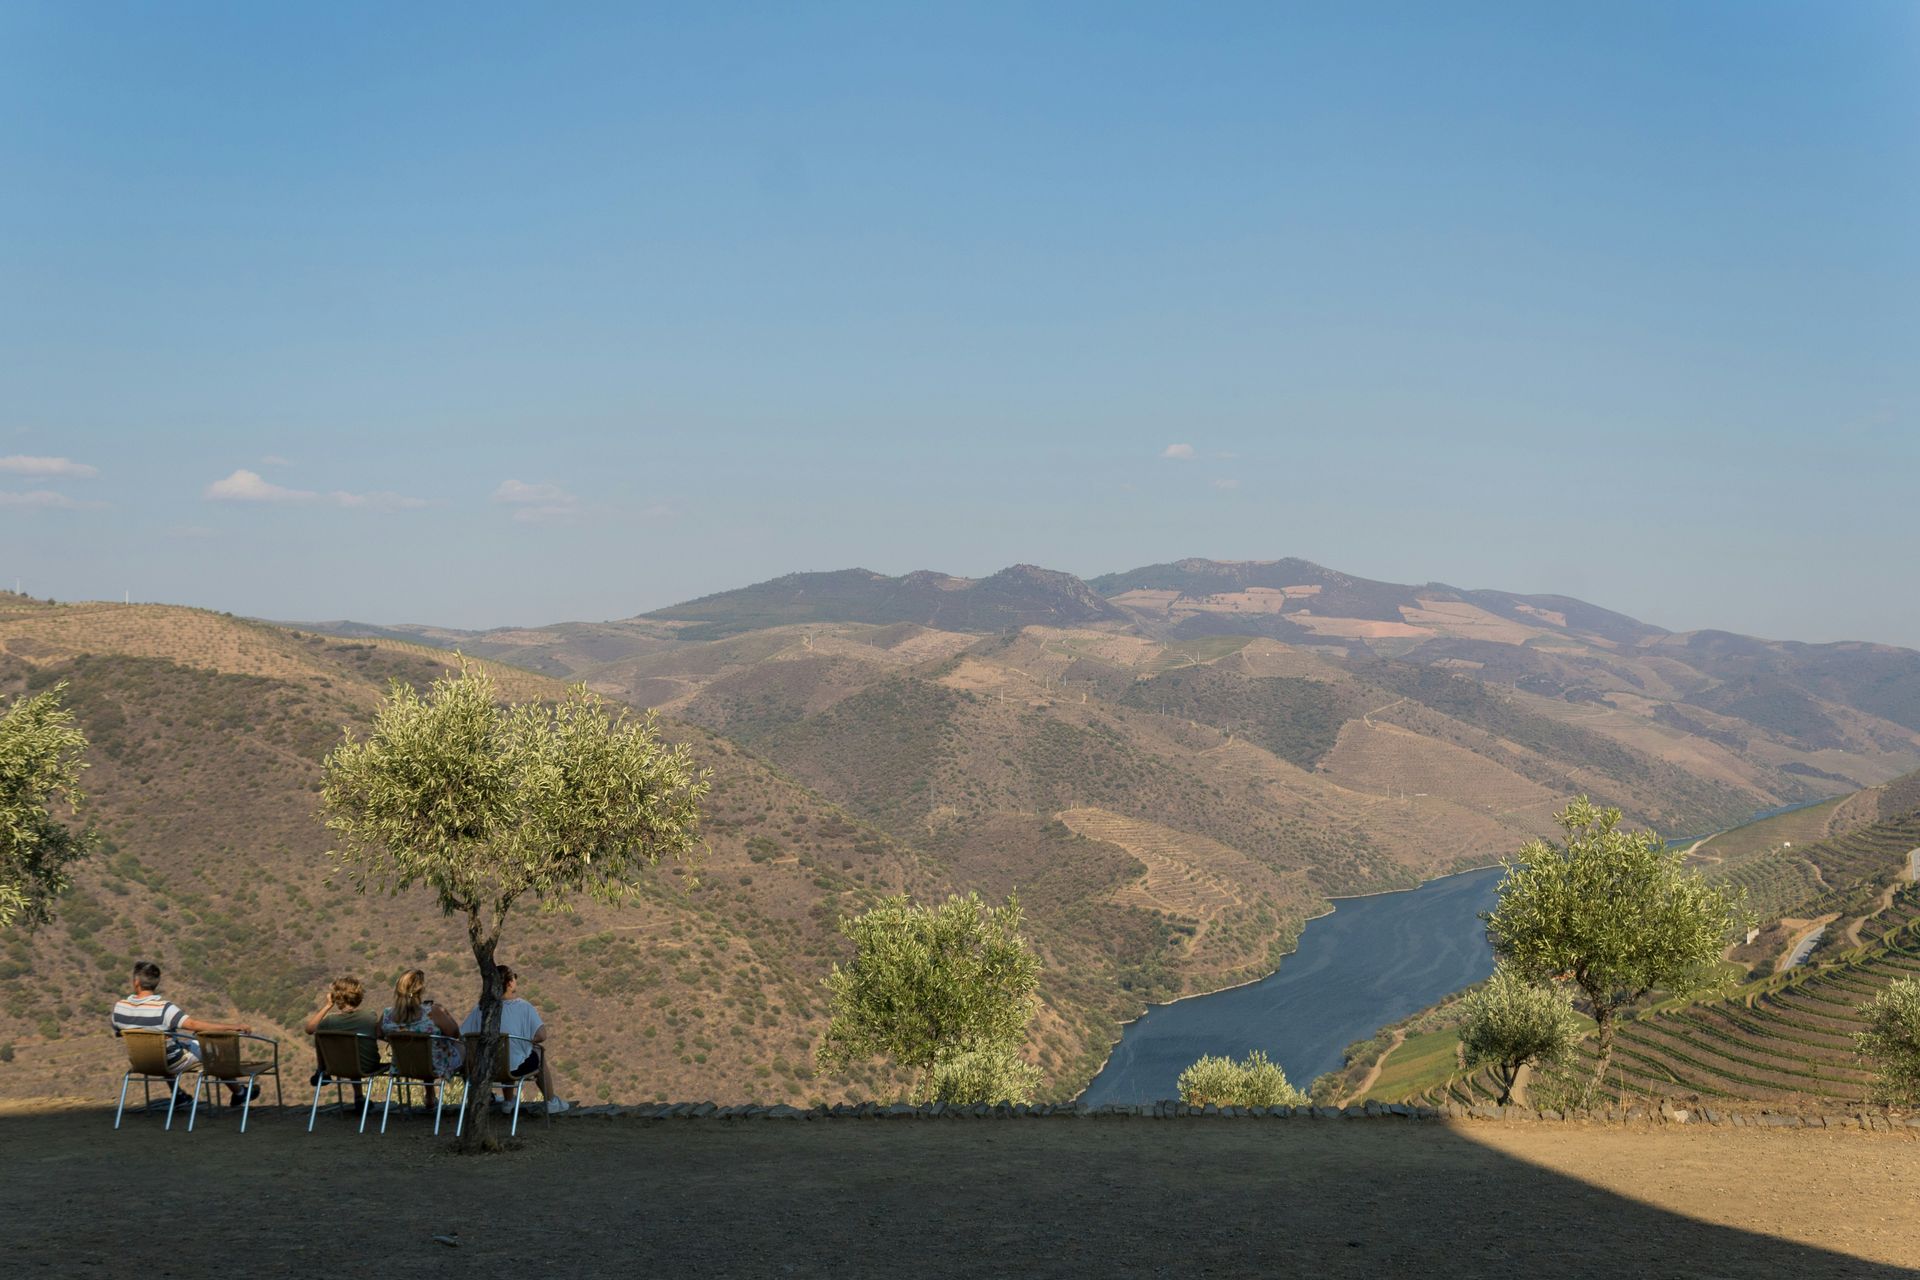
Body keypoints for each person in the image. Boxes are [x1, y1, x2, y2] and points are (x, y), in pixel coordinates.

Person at [110, 960, 257, 1107]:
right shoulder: (164, 1009)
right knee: (210, 1049)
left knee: (161, 1049)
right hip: (171, 1062)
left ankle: (179, 1095)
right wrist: (232, 1027)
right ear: (156, 983)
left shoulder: (120, 1008)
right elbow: (193, 1025)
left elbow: (119, 1032)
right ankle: (240, 1093)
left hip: (141, 1061)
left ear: (136, 982)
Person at [459, 963, 568, 1115]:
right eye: (514, 978)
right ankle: (551, 1102)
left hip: (485, 1068)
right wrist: (526, 1041)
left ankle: (508, 1101)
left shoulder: (481, 1008)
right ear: (510, 984)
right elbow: (542, 1035)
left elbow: (462, 1035)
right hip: (513, 1068)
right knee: (533, 1052)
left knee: (505, 1051)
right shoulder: (523, 1006)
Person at [378, 968, 464, 1104]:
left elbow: (378, 1033)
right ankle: (476, 1097)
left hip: (403, 1065)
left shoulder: (388, 1014)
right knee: (465, 1048)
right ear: (421, 990)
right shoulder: (433, 1012)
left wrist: (399, 1039)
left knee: (423, 1050)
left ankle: (430, 1096)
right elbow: (455, 1034)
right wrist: (445, 1013)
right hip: (435, 1066)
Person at [303, 977, 384, 1108]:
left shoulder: (330, 1021)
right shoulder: (369, 1016)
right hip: (368, 1066)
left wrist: (328, 1005)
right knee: (355, 1053)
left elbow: (309, 1029)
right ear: (359, 997)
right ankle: (359, 1098)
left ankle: (321, 1070)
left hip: (337, 1066)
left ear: (336, 998)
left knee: (321, 1035)